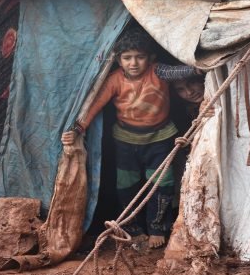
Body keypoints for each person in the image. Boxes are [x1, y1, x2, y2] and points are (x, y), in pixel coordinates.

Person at [61, 28, 203, 249]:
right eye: (127, 58)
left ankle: (157, 228)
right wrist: (78, 129)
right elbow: (94, 106)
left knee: (162, 184)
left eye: (140, 57)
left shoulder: (158, 72)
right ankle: (132, 228)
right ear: (118, 59)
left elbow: (178, 72)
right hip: (126, 141)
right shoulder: (114, 80)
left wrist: (199, 67)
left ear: (150, 58)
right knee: (126, 185)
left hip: (160, 138)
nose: (133, 63)